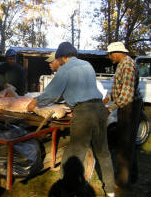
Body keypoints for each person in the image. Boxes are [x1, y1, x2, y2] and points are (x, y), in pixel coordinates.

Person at [27, 42, 115, 197]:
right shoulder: (87, 65)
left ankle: (65, 190)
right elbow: (78, 88)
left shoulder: (65, 69)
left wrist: (35, 102)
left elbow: (51, 94)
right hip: (100, 109)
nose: (57, 61)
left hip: (84, 112)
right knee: (103, 152)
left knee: (75, 153)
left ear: (62, 57)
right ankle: (110, 191)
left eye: (58, 58)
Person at [103, 42, 142, 190]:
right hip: (126, 105)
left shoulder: (127, 65)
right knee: (129, 141)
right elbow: (119, 87)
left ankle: (122, 182)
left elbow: (126, 95)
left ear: (118, 52)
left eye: (111, 54)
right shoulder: (122, 64)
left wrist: (110, 108)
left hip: (130, 106)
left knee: (124, 144)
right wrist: (108, 98)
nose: (110, 57)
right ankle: (132, 175)